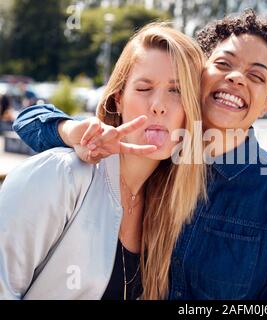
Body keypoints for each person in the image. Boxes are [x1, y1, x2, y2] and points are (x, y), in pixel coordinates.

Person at [12, 9, 267, 299]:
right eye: (223, 64)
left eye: (256, 76)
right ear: (198, 78)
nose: (237, 78)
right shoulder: (158, 164)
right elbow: (30, 122)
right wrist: (68, 129)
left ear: (266, 105)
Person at [0, 23, 206, 300]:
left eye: (177, 91)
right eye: (144, 88)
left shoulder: (172, 208)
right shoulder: (62, 176)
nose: (158, 104)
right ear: (118, 101)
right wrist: (70, 129)